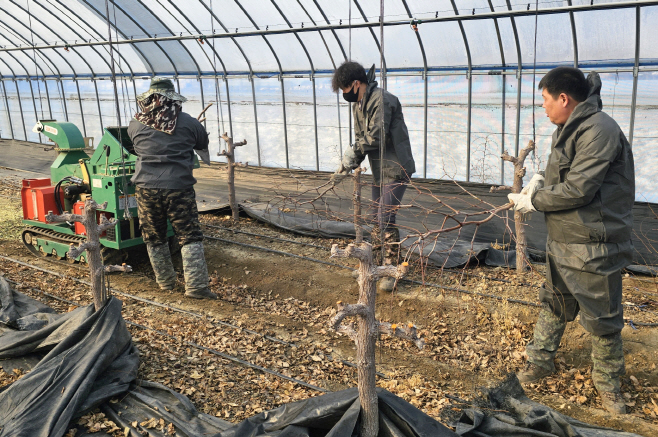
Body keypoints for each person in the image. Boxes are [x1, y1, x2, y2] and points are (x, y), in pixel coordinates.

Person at [508, 67, 634, 414]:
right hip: (564, 236)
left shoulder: (600, 130)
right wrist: (538, 180)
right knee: (554, 302)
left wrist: (534, 200)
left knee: (603, 317)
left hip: (594, 242)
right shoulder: (567, 129)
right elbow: (557, 172)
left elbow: (579, 188)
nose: (543, 108)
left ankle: (608, 384)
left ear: (564, 98)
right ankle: (540, 361)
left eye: (545, 101)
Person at [128, 77, 217, 300]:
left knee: (154, 237)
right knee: (189, 236)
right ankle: (196, 287)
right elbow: (202, 145)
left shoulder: (135, 124)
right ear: (173, 100)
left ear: (149, 100)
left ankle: (165, 284)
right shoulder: (189, 123)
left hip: (146, 188)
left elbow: (135, 147)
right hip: (179, 187)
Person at [330, 61, 416, 292]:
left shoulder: (382, 100)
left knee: (386, 217)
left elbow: (375, 136)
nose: (344, 95)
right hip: (379, 169)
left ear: (356, 84)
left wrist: (350, 156)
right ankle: (374, 265)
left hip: (396, 167)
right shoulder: (358, 104)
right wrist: (349, 164)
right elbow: (361, 138)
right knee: (373, 216)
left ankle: (392, 271)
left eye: (345, 89)